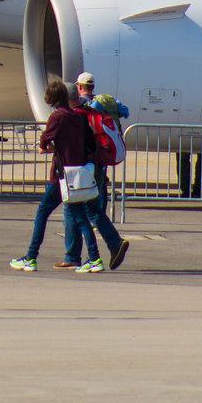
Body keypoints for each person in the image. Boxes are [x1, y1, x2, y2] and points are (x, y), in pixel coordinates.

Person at [14, 76, 102, 273]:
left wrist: (48, 146)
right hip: (78, 173)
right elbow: (88, 143)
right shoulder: (78, 117)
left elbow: (45, 139)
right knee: (81, 217)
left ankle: (31, 256)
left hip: (62, 174)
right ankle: (94, 257)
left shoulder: (57, 117)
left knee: (43, 212)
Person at [68, 72, 129, 271]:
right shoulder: (104, 103)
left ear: (79, 86)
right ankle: (88, 253)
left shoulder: (83, 109)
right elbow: (124, 111)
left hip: (87, 164)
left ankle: (93, 253)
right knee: (92, 209)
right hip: (100, 162)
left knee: (84, 210)